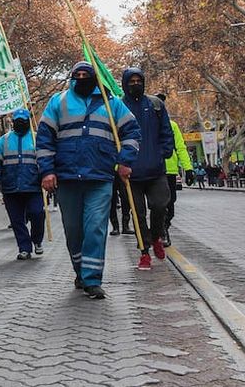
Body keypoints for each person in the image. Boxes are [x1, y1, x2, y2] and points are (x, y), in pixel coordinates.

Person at [37, 62, 140, 299]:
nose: (81, 78)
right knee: (74, 231)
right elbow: (44, 139)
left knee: (95, 227)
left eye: (86, 75)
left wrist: (125, 161)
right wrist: (46, 171)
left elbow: (132, 132)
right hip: (67, 177)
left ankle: (93, 279)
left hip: (100, 177)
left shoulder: (111, 102)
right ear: (72, 78)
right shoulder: (58, 102)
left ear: (94, 77)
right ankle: (80, 272)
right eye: (77, 75)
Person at [121, 69, 174, 271]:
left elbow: (166, 131)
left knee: (160, 205)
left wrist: (163, 153)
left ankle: (156, 236)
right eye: (131, 81)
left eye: (139, 80)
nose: (135, 84)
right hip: (131, 173)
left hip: (155, 169)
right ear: (125, 83)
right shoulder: (119, 106)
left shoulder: (156, 105)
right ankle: (144, 252)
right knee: (138, 214)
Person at [0, 108, 45, 260]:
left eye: (23, 120)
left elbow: (45, 159)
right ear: (13, 122)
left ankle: (37, 240)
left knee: (37, 214)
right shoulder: (4, 140)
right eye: (17, 120)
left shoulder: (37, 139)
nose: (20, 123)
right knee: (16, 220)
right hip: (11, 187)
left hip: (33, 185)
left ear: (28, 121)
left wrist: (47, 174)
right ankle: (24, 248)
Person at [157, 93, 192, 247]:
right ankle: (161, 231)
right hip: (155, 170)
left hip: (170, 171)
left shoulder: (172, 126)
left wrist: (188, 168)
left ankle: (164, 225)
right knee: (159, 204)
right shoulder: (146, 124)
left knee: (170, 205)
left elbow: (180, 147)